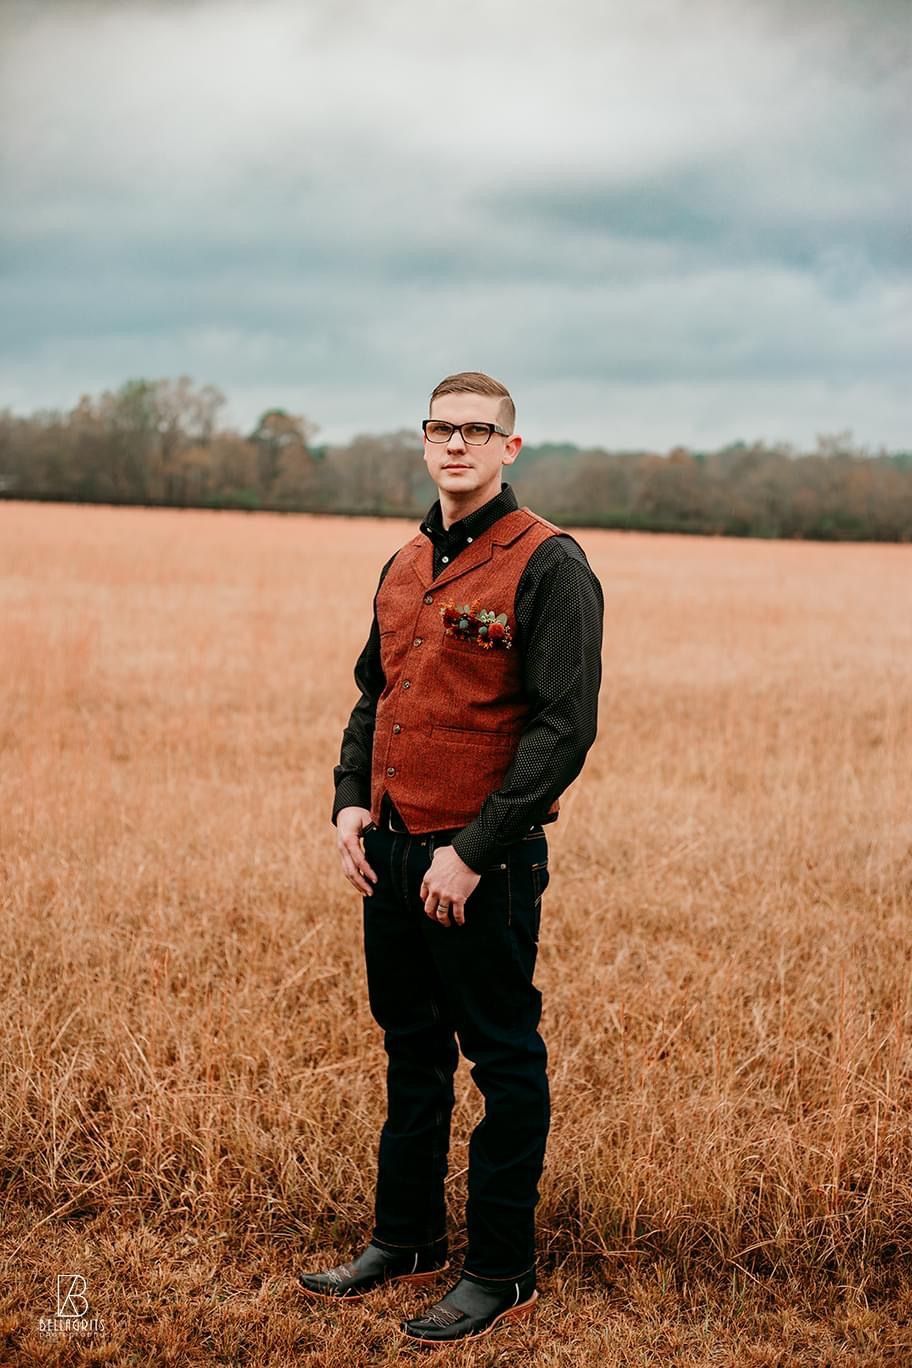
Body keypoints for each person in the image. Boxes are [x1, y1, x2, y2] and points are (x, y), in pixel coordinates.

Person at [298, 370, 603, 1346]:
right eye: (443, 429)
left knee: (503, 1063)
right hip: (388, 851)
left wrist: (472, 852)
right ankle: (408, 1238)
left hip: (482, 868)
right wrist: (350, 804)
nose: (458, 445)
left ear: (511, 448)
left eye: (480, 431)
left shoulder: (549, 564)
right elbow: (372, 694)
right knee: (410, 1052)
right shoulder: (404, 559)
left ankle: (501, 1270)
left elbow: (563, 729)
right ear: (424, 441)